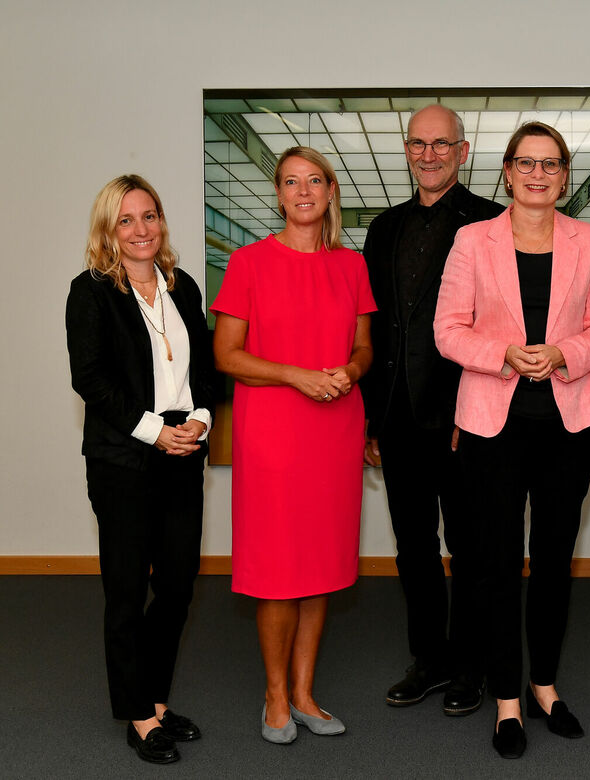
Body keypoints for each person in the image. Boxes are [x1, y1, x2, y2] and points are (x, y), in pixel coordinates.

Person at [434, 121, 590, 759]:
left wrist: (563, 352)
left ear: (564, 176)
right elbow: (448, 331)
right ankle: (506, 698)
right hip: (492, 422)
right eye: (526, 164)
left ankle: (545, 685)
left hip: (566, 423)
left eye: (551, 164)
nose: (538, 175)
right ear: (507, 171)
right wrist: (504, 354)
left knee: (555, 560)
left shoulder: (589, 240)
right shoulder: (471, 240)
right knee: (495, 561)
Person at [211, 146, 375, 744]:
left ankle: (305, 692)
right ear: (278, 194)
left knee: (320, 564)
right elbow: (227, 355)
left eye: (314, 181)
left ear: (331, 191)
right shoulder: (249, 262)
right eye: (290, 182)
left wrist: (349, 374)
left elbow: (364, 349)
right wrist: (296, 374)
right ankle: (275, 695)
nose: (303, 191)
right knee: (279, 567)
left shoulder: (352, 266)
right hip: (274, 432)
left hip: (334, 427)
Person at [66, 174, 216, 764]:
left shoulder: (183, 288)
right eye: (126, 220)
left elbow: (203, 369)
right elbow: (91, 379)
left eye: (149, 216)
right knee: (126, 590)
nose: (140, 229)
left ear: (162, 222)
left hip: (183, 449)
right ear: (109, 229)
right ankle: (138, 715)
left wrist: (200, 420)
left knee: (178, 586)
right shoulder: (91, 291)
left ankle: (155, 698)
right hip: (125, 457)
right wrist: (155, 431)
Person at [362, 104, 504, 716]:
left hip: (462, 420)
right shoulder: (382, 228)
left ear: (462, 151)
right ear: (407, 149)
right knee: (413, 547)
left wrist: (467, 413)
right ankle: (430, 659)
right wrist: (372, 419)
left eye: (441, 144)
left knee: (472, 548)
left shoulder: (491, 223)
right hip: (396, 420)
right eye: (418, 144)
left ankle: (472, 667)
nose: (429, 154)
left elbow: (497, 326)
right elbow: (376, 331)